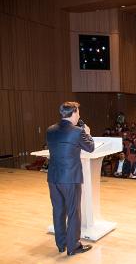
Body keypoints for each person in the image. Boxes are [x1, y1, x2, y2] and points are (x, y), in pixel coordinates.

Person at [47, 101, 94, 255]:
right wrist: (87, 132)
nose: (79, 115)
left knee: (58, 211)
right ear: (73, 113)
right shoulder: (78, 131)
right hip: (70, 178)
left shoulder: (50, 130)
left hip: (53, 177)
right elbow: (90, 147)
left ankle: (61, 244)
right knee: (73, 212)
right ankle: (73, 247)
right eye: (78, 112)